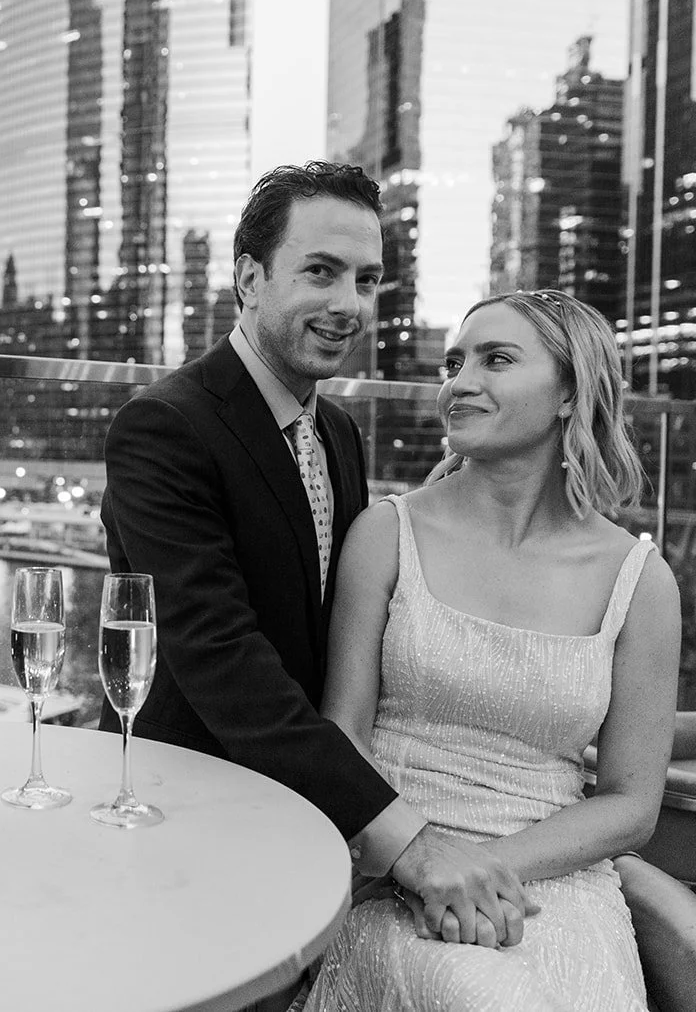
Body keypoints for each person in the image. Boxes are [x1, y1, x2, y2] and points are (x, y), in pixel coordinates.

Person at [100, 162, 535, 989]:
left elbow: (337, 622)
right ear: (249, 278)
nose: (349, 304)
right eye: (321, 272)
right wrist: (406, 840)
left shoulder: (335, 430)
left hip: (311, 800)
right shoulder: (163, 426)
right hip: (191, 803)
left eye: (366, 280)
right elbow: (221, 659)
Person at [304, 289, 681, 1011]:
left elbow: (632, 803)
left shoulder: (640, 579)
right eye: (455, 364)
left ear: (570, 393)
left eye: (496, 360)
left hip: (556, 885)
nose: (461, 383)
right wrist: (419, 859)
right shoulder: (387, 534)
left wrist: (481, 867)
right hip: (395, 875)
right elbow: (342, 733)